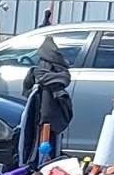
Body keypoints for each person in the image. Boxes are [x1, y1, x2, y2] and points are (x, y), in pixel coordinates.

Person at [19, 35, 74, 167]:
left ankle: (40, 163)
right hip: (45, 115)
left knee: (41, 140)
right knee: (44, 141)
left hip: (45, 116)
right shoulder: (57, 74)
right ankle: (41, 162)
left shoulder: (40, 73)